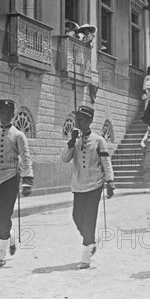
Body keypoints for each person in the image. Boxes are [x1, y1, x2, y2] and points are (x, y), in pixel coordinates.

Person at [0, 99, 33, 268]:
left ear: (12, 115)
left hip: (11, 178)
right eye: (1, 112)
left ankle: (1, 255)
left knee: (3, 216)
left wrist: (27, 179)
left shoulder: (19, 135)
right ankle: (9, 234)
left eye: (8, 113)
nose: (4, 116)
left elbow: (25, 157)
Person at [61, 106, 115, 269]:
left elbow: (106, 161)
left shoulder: (99, 140)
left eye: (82, 120)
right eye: (77, 120)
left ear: (90, 121)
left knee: (90, 217)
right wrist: (71, 143)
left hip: (95, 184)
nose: (79, 123)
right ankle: (90, 241)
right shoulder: (74, 140)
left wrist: (110, 181)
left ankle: (86, 256)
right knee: (77, 216)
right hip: (78, 185)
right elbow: (64, 159)